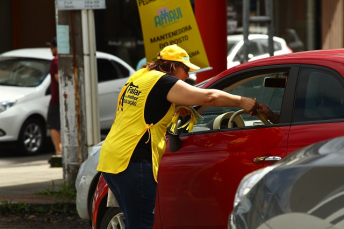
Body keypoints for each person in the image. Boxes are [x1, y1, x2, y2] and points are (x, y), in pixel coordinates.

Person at [97, 44, 259, 228]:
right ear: (173, 66)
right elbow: (209, 98)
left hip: (112, 158)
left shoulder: (140, 76)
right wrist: (242, 101)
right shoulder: (163, 81)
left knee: (133, 220)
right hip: (133, 160)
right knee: (141, 224)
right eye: (186, 69)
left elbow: (142, 109)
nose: (188, 75)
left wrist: (172, 108)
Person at [47, 37, 62, 156]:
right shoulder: (66, 59)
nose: (51, 50)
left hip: (56, 99)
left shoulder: (55, 61)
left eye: (51, 47)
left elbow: (58, 79)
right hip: (64, 99)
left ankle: (58, 151)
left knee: (53, 125)